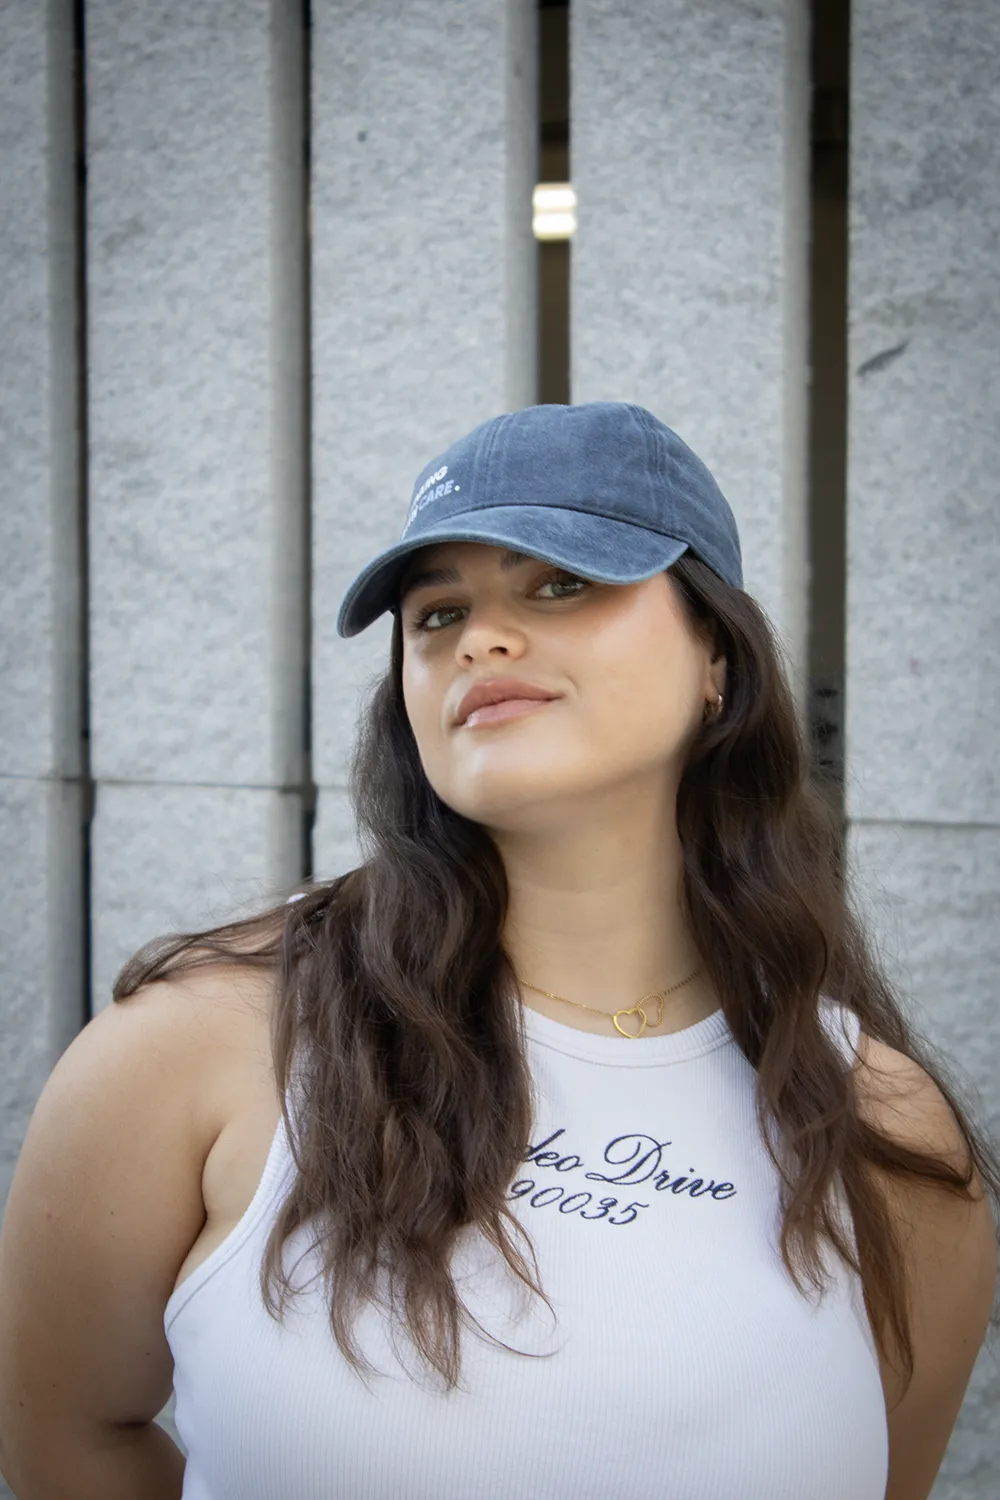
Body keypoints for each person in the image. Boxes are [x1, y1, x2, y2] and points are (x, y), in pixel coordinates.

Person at [0, 401, 997, 1500]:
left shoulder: (886, 1138)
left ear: (716, 654)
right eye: (436, 613)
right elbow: (72, 1432)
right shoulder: (204, 1046)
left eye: (561, 583)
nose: (479, 637)